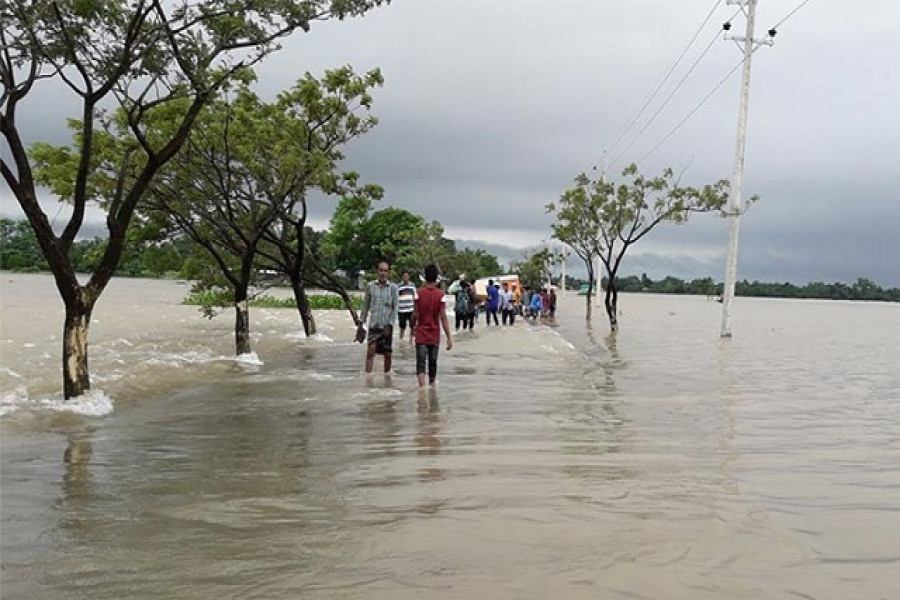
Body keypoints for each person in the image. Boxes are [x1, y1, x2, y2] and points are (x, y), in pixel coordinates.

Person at [413, 264, 453, 387]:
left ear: (425, 277)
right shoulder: (440, 295)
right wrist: (449, 337)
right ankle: (431, 388)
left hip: (421, 334)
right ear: (436, 278)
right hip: (434, 335)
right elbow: (443, 317)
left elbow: (415, 314)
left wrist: (412, 327)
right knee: (432, 363)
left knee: (421, 363)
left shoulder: (418, 293)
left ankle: (421, 390)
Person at [357, 260, 399, 374]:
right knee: (370, 352)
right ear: (377, 271)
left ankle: (387, 377)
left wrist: (390, 325)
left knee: (388, 354)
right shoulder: (370, 286)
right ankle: (368, 378)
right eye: (381, 270)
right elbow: (365, 306)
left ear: (388, 273)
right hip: (374, 325)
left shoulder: (393, 288)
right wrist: (361, 324)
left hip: (386, 326)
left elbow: (395, 308)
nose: (383, 273)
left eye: (385, 271)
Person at [396, 268, 417, 343]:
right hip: (401, 310)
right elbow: (396, 298)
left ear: (409, 277)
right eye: (404, 276)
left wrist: (416, 309)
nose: (405, 278)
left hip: (411, 309)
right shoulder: (398, 286)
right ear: (402, 277)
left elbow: (415, 297)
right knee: (402, 327)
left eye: (407, 276)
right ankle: (401, 341)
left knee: (412, 327)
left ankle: (411, 342)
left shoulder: (412, 286)